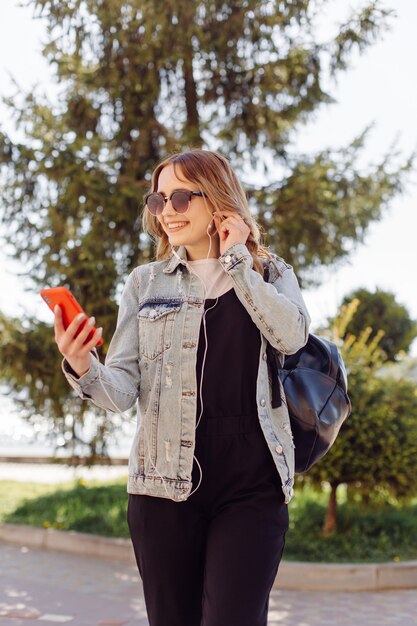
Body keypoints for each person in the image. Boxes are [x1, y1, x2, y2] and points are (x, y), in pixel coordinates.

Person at [54, 149, 311, 626]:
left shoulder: (269, 273)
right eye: (158, 200)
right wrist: (82, 363)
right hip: (161, 486)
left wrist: (238, 260)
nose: (166, 211)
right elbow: (122, 390)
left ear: (216, 199)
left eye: (180, 197)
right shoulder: (145, 283)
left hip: (251, 484)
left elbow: (291, 337)